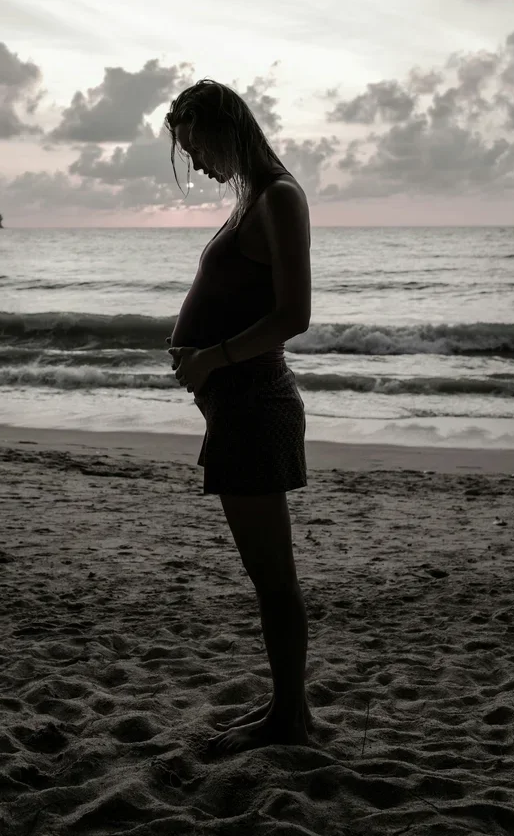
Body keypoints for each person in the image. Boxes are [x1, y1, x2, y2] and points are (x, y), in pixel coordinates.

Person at [164, 78, 313, 754]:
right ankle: (287, 705)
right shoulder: (251, 197)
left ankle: (290, 716)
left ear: (225, 127)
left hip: (255, 403)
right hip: (237, 404)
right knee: (266, 576)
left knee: (273, 578)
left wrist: (211, 357)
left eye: (196, 146)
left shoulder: (279, 196)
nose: (195, 163)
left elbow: (293, 315)